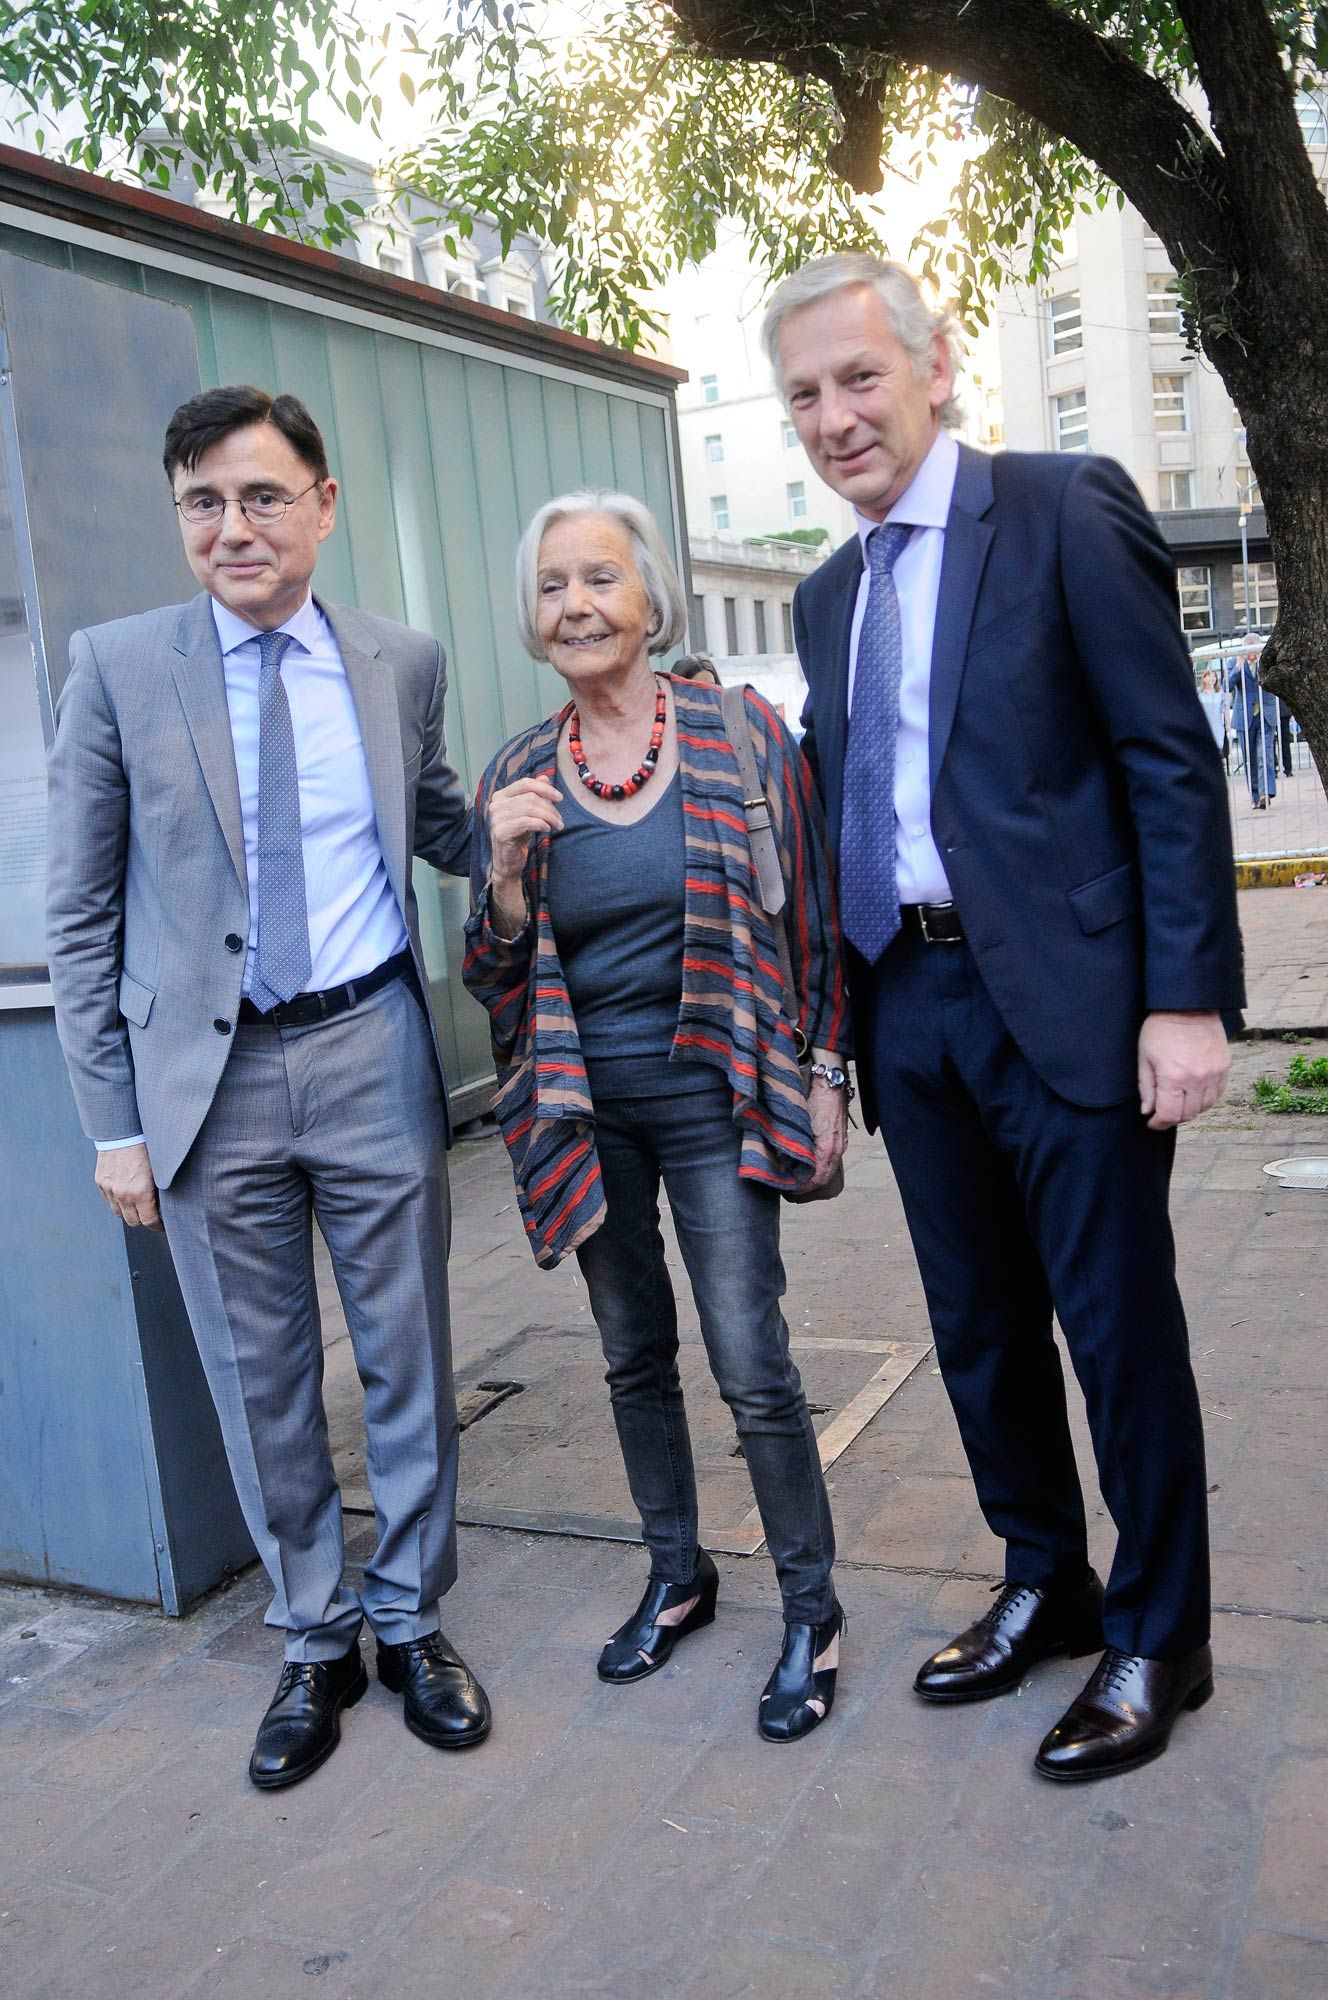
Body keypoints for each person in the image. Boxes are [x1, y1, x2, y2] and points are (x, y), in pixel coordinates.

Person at [765, 254, 1244, 1783]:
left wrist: (1183, 999)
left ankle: (1165, 1634)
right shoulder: (828, 591)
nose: (835, 418)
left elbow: (1168, 760)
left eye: (856, 377)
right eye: (803, 396)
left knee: (1115, 1332)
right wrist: (840, 1047)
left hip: (1077, 1003)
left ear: (934, 364)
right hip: (913, 1007)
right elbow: (848, 812)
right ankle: (1048, 1577)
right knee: (978, 1333)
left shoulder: (1059, 509)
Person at [46, 385, 491, 1790]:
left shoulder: (399, 660)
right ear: (179, 517)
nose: (231, 527)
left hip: (369, 1050)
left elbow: (439, 826)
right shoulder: (116, 666)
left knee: (408, 1354)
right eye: (202, 502)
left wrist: (556, 814)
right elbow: (78, 915)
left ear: (324, 504)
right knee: (262, 1381)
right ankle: (314, 1638)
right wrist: (113, 1124)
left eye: (260, 496)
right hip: (204, 1085)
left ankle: (414, 1620)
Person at [462, 490, 851, 1741]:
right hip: (588, 1112)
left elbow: (815, 920)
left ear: (646, 597)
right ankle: (677, 1574)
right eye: (550, 586)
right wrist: (508, 875)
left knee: (750, 1360)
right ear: (533, 618)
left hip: (715, 1098)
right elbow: (492, 973)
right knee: (632, 1353)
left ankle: (810, 1608)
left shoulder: (736, 736)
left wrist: (825, 1067)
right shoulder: (520, 772)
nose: (574, 604)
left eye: (597, 578)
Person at [1227, 645, 1277, 808]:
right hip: (1245, 717)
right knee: (1250, 759)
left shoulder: (1266, 661)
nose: (1252, 656)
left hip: (1265, 715)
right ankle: (1255, 797)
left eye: (1254, 653)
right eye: (1248, 653)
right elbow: (1227, 685)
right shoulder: (1234, 661)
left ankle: (1265, 793)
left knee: (1265, 755)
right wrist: (1238, 667)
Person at [1197, 666, 1228, 770]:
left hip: (1217, 726)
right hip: (1203, 726)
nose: (1213, 678)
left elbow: (1225, 709)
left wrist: (1227, 723)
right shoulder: (1199, 693)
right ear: (1204, 678)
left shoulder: (1220, 693)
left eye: (1215, 676)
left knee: (1217, 753)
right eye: (1210, 675)